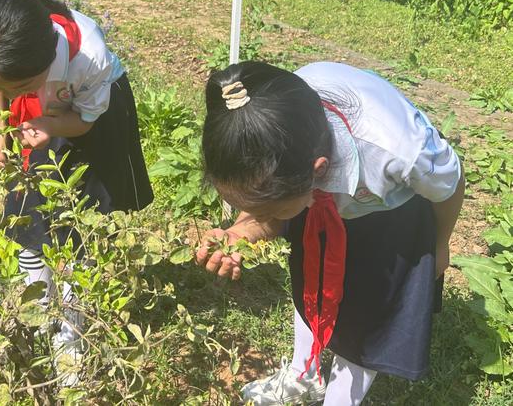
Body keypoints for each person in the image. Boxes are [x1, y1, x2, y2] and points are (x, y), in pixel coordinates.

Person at [196, 61, 464, 405]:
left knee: (365, 319)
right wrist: (241, 231)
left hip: (395, 213)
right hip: (308, 196)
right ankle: (303, 375)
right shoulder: (271, 129)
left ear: (316, 173)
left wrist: (439, 244)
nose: (256, 217)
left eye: (264, 210)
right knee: (313, 278)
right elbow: (272, 205)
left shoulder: (399, 151)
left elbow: (450, 183)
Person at [0, 0, 153, 378]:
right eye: (11, 88)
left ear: (47, 60)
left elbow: (84, 120)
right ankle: (39, 310)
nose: (13, 95)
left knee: (84, 216)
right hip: (43, 117)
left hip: (91, 117)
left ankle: (71, 329)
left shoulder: (90, 57)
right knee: (26, 215)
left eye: (24, 84)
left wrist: (49, 125)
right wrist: (1, 130)